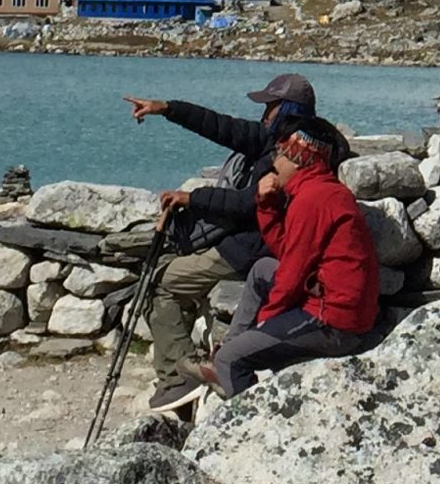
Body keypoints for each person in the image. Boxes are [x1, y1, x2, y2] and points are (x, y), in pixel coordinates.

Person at [123, 73, 318, 413]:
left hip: (251, 246)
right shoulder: (283, 141)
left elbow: (247, 205)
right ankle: (188, 365)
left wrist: (192, 198)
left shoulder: (292, 155)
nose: (264, 114)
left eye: (270, 106)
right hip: (247, 242)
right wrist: (167, 108)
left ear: (287, 110)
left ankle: (177, 379)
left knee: (163, 284)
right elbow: (220, 126)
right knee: (176, 272)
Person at [200, 116, 379, 400]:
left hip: (334, 321)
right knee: (262, 269)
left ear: (298, 159)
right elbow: (286, 250)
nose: (275, 162)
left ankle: (244, 421)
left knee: (232, 360)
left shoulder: (312, 200)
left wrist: (267, 327)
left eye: (281, 154)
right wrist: (267, 205)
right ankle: (229, 355)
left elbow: (293, 273)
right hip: (334, 304)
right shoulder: (317, 190)